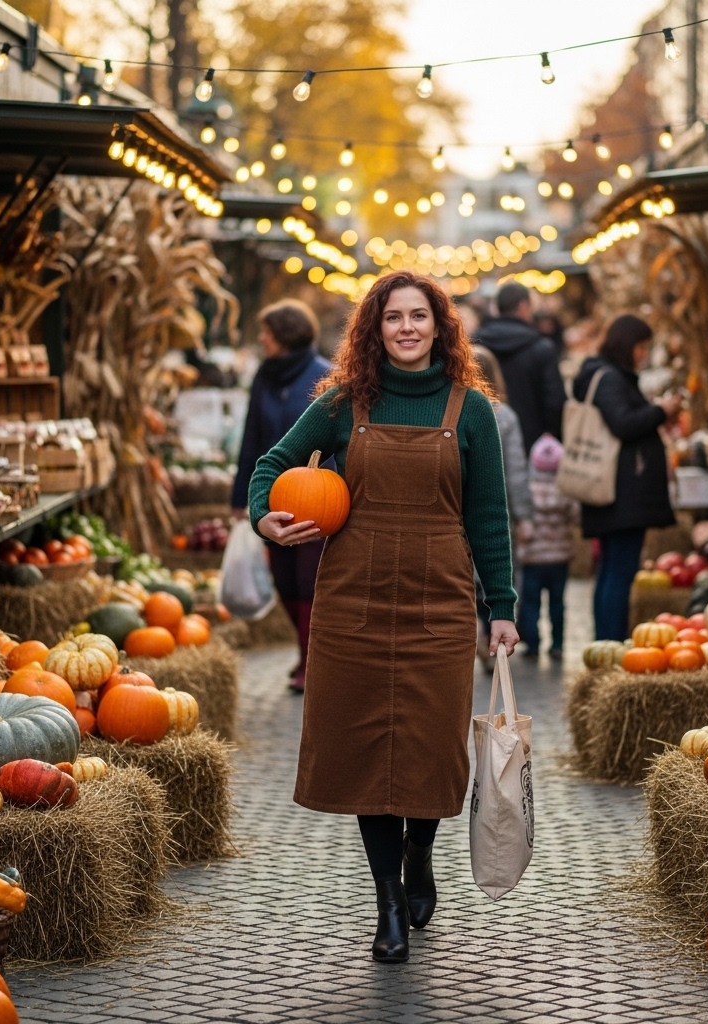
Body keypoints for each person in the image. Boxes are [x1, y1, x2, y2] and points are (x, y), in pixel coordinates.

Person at [248, 271, 517, 965]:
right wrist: (266, 520)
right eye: (393, 317)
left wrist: (503, 609)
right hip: (353, 603)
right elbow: (270, 465)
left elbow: (489, 517)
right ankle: (388, 902)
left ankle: (420, 856)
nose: (406, 328)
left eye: (418, 317)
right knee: (368, 749)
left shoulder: (472, 411)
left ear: (439, 327)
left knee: (430, 747)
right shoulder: (344, 403)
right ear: (375, 328)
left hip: (439, 598)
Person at [231, 299, 330, 693]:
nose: (261, 339)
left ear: (285, 335)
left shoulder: (324, 375)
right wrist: (242, 498)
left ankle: (312, 661)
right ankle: (305, 652)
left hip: (318, 497)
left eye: (266, 332)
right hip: (271, 495)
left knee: (310, 582)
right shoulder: (265, 378)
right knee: (284, 580)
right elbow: (251, 437)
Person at [572, 314, 681, 641]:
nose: (643, 354)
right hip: (620, 493)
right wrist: (661, 411)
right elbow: (623, 423)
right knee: (618, 571)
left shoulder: (606, 375)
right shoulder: (609, 378)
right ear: (626, 344)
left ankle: (606, 641)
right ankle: (610, 641)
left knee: (611, 569)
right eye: (641, 346)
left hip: (616, 491)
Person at [471, 345, 532, 666]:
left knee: (470, 577)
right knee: (499, 573)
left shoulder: (452, 410)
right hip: (498, 510)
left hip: (459, 511)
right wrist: (523, 515)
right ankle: (493, 636)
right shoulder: (505, 416)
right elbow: (517, 470)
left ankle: (478, 630)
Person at [474, 280, 566, 454]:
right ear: (523, 306)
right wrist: (551, 434)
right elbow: (555, 399)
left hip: (485, 436)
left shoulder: (476, 344)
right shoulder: (541, 347)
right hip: (533, 441)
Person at [517, 433, 577, 660]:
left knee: (531, 603)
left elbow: (517, 518)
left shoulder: (526, 490)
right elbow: (576, 516)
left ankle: (532, 645)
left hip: (532, 558)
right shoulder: (566, 489)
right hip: (559, 559)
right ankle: (557, 645)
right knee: (558, 603)